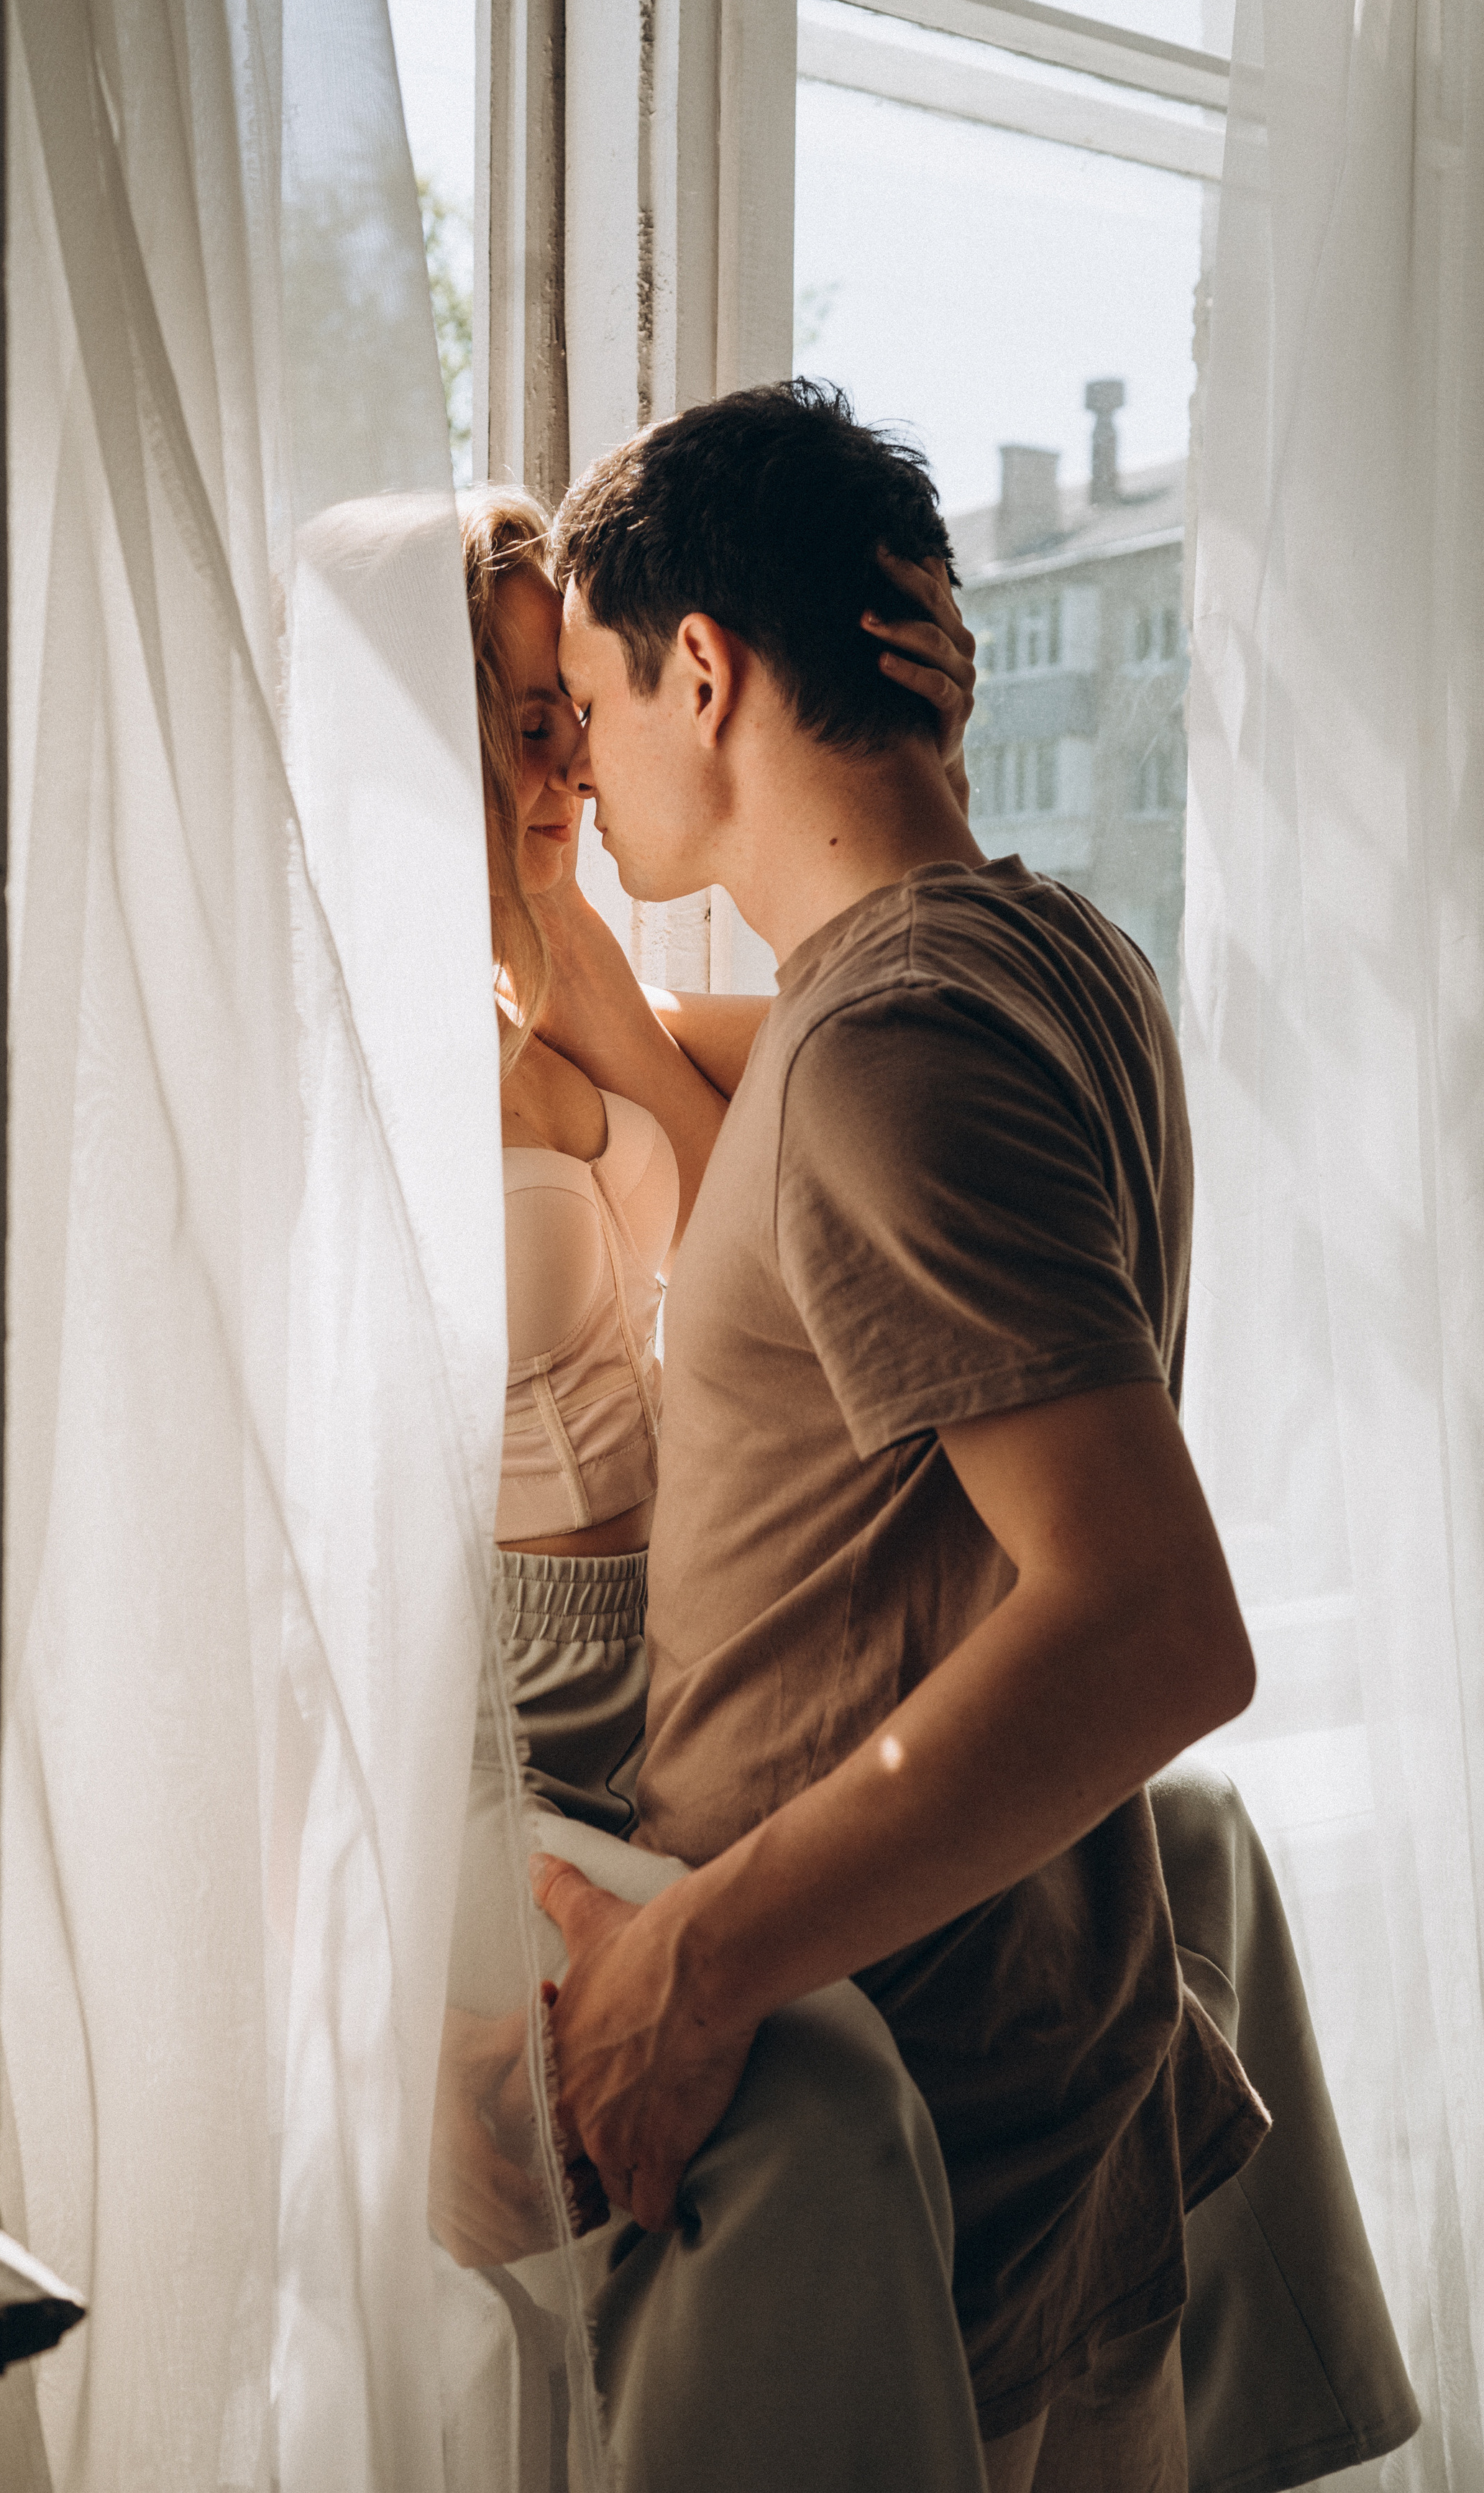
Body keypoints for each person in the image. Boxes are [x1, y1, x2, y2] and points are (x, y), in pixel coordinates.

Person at [526, 380, 1272, 2491]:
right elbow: (728, 1088)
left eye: (588, 695)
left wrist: (703, 1954)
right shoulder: (1060, 969)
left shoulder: (889, 1054)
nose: (575, 754)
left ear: (704, 668)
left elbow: (1157, 1627)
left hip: (912, 2156)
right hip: (1037, 2086)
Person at [432, 485, 994, 2491]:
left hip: (671, 1675)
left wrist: (912, 714)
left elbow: (915, 1032)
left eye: (568, 706)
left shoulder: (611, 1009)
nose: (571, 755)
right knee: (818, 2090)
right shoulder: (359, 1055)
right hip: (483, 1730)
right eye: (519, 720)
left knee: (1118, 1898)